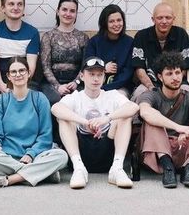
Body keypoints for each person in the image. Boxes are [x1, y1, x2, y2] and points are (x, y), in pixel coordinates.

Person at [51, 57, 139, 189]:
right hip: (81, 150)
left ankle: (117, 168)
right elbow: (55, 108)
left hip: (107, 149)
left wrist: (107, 118)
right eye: (91, 74)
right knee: (64, 118)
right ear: (82, 75)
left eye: (100, 75)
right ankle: (79, 168)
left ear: (104, 77)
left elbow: (134, 107)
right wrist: (85, 122)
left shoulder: (112, 95)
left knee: (124, 116)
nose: (96, 79)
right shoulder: (76, 96)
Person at [0, 57, 68, 189]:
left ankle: (8, 180)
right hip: (8, 156)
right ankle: (43, 174)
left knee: (61, 156)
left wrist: (30, 154)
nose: (18, 74)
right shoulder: (0, 101)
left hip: (36, 155)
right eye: (14, 72)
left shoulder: (40, 99)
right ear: (8, 76)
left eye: (22, 70)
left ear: (28, 73)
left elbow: (45, 136)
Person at [137, 53, 189, 189]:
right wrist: (178, 127)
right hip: (157, 151)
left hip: (183, 146)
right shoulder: (150, 95)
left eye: (178, 72)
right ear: (160, 77)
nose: (175, 78)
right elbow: (145, 112)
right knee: (153, 119)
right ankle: (167, 167)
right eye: (169, 74)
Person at [0, 0, 41, 109]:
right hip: (0, 79)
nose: (16, 7)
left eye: (20, 4)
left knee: (29, 102)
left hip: (25, 79)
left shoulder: (32, 32)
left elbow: (31, 65)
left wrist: (19, 86)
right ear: (3, 8)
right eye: (11, 4)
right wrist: (1, 85)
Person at [130, 2, 189, 100]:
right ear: (153, 19)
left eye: (168, 18)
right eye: (160, 18)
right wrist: (150, 87)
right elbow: (139, 69)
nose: (164, 21)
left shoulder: (181, 34)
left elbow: (185, 66)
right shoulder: (141, 36)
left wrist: (173, 83)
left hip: (177, 82)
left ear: (173, 19)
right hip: (148, 83)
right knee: (139, 96)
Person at [39, 0, 89, 104]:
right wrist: (58, 86)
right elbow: (45, 66)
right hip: (50, 83)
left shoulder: (83, 37)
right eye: (64, 9)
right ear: (58, 11)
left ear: (76, 14)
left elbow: (85, 65)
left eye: (72, 11)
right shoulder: (48, 36)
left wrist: (76, 82)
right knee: (54, 99)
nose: (68, 14)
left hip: (77, 83)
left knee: (80, 100)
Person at [84, 4, 134, 97]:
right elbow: (87, 66)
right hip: (95, 85)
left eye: (119, 20)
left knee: (117, 98)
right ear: (105, 23)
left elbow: (128, 72)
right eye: (111, 21)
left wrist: (106, 89)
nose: (116, 24)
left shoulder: (130, 42)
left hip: (121, 87)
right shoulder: (94, 42)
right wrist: (103, 68)